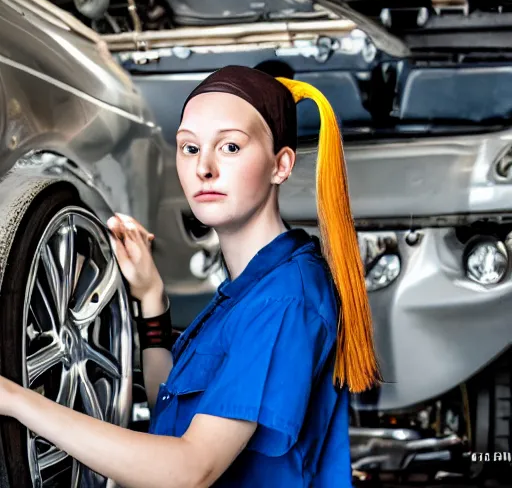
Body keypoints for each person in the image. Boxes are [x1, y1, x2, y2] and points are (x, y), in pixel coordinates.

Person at [0, 65, 380, 487]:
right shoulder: (246, 291)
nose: (205, 168)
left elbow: (191, 469)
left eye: (231, 147)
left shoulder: (284, 299)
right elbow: (173, 410)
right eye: (189, 148)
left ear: (280, 164)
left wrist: (15, 399)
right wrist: (151, 298)